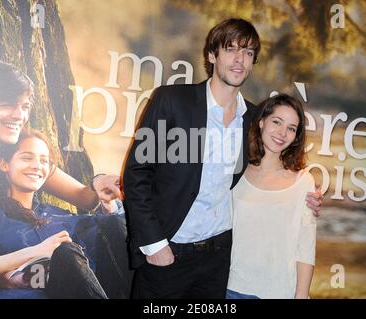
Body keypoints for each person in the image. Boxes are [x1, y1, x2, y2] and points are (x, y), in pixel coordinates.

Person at [123, 18, 322, 299]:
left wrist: (306, 198)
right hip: (168, 251)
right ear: (211, 55)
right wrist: (154, 245)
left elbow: (270, 174)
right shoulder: (172, 101)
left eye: (249, 53)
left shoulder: (254, 120)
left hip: (218, 261)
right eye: (231, 49)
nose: (240, 60)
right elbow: (137, 173)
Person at [0, 130, 132, 299]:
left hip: (79, 289)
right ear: (4, 164)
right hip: (22, 294)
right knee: (64, 252)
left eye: (44, 160)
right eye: (26, 157)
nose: (37, 165)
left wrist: (110, 204)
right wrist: (34, 253)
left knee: (114, 224)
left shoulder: (59, 215)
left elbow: (114, 238)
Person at [0, 59, 120, 217]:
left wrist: (100, 182)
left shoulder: (22, 150)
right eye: (7, 105)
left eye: (25, 107)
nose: (19, 116)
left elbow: (84, 199)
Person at [227, 94, 316, 299]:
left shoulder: (303, 182)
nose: (282, 133)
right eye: (277, 122)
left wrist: (301, 295)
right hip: (230, 288)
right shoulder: (234, 173)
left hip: (279, 292)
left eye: (292, 128)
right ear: (260, 122)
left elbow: (306, 247)